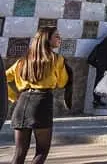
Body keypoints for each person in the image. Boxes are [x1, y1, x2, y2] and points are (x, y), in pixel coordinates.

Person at [6, 26, 68, 164]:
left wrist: (12, 95)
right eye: (57, 36)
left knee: (19, 152)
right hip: (42, 102)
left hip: (22, 103)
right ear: (47, 39)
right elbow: (62, 83)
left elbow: (4, 77)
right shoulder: (56, 59)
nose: (60, 39)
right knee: (42, 151)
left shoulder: (23, 60)